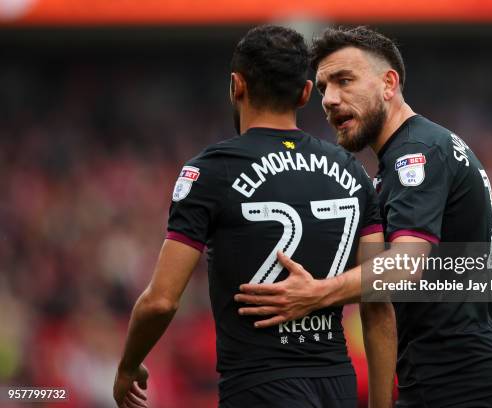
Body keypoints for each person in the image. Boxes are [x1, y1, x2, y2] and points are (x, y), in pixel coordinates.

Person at [236, 26, 492, 407]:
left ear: (389, 83)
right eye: (323, 88)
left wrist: (317, 294)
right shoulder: (418, 151)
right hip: (454, 376)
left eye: (344, 81)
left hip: (459, 382)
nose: (330, 100)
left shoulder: (415, 154)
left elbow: (406, 263)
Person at [112, 25, 396, 408]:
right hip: (337, 386)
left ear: (237, 86)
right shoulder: (354, 172)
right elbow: (378, 299)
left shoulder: (211, 171)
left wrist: (128, 365)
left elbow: (161, 301)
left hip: (259, 387)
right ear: (305, 93)